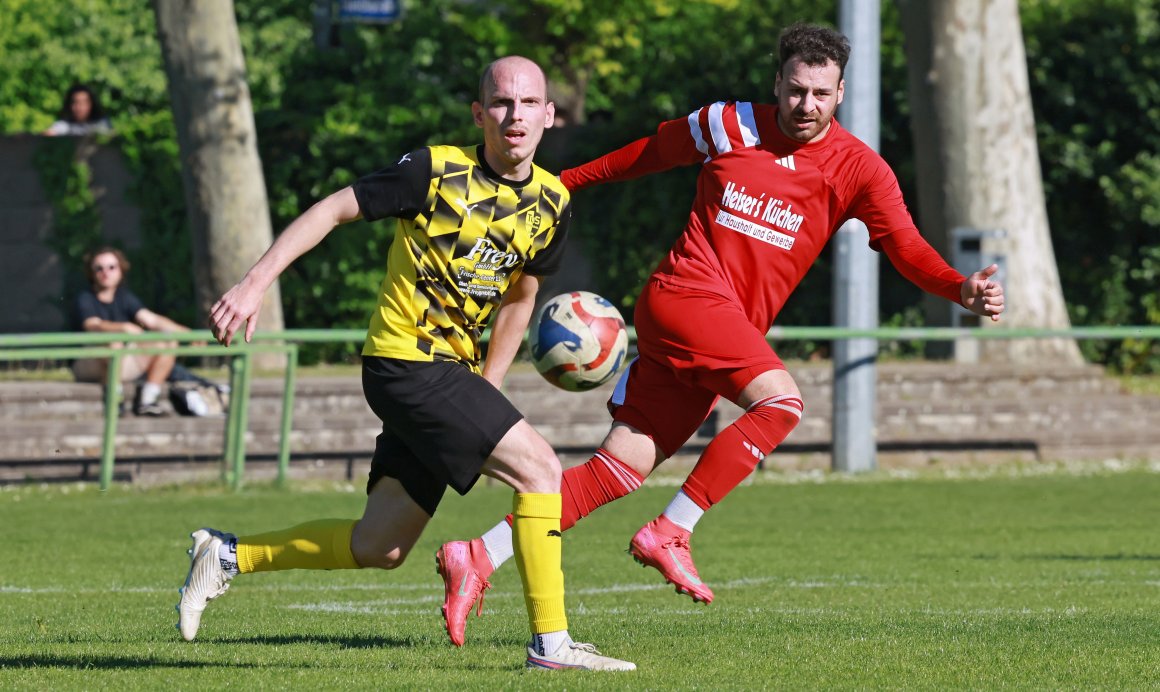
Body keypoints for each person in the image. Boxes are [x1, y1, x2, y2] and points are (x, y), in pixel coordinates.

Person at [436, 22, 1006, 643]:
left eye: (820, 94)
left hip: (719, 331)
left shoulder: (859, 169)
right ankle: (671, 530)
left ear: (840, 93)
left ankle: (478, 554)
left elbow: (906, 246)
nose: (806, 105)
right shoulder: (728, 123)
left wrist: (959, 288)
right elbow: (646, 154)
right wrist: (559, 184)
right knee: (781, 404)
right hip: (683, 297)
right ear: (777, 83)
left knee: (618, 469)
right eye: (796, 90)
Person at [176, 56, 635, 672]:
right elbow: (331, 210)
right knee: (541, 470)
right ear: (479, 113)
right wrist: (254, 284)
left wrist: (489, 388)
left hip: (451, 375)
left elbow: (521, 298)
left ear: (550, 115)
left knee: (381, 544)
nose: (515, 115)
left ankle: (227, 555)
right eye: (502, 102)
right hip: (404, 360)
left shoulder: (553, 202)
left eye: (529, 103)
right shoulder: (434, 170)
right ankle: (550, 647)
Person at [73, 246, 199, 416]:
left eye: (111, 267)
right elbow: (92, 324)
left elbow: (151, 320)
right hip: (88, 363)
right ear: (91, 273)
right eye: (99, 268)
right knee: (114, 343)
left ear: (121, 270)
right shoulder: (85, 298)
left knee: (167, 342)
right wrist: (123, 327)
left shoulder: (124, 297)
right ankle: (114, 399)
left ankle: (148, 400)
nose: (105, 272)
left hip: (120, 362)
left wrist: (187, 333)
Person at [43, 84, 113, 136]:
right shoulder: (65, 125)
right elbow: (52, 132)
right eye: (76, 103)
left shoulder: (100, 123)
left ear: (92, 104)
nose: (80, 108)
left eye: (84, 103)